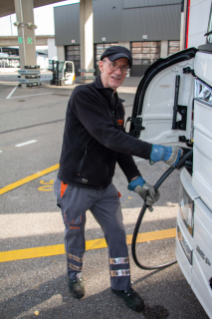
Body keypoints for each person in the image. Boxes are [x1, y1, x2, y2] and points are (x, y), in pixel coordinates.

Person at [54, 46, 182, 312]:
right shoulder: (83, 96)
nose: (119, 71)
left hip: (103, 187)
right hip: (75, 185)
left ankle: (121, 285)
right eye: (114, 65)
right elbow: (108, 136)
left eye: (124, 67)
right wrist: (158, 152)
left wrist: (136, 181)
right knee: (75, 235)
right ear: (101, 65)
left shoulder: (116, 104)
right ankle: (74, 275)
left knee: (117, 234)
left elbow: (119, 147)